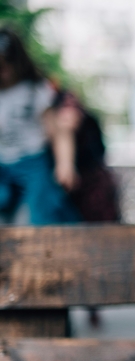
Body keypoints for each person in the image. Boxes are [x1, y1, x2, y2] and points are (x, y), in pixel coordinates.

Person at [0, 28, 80, 224]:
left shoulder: (35, 90)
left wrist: (65, 164)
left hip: (33, 162)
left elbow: (59, 132)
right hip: (3, 164)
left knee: (39, 214)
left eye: (7, 64)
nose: (5, 72)